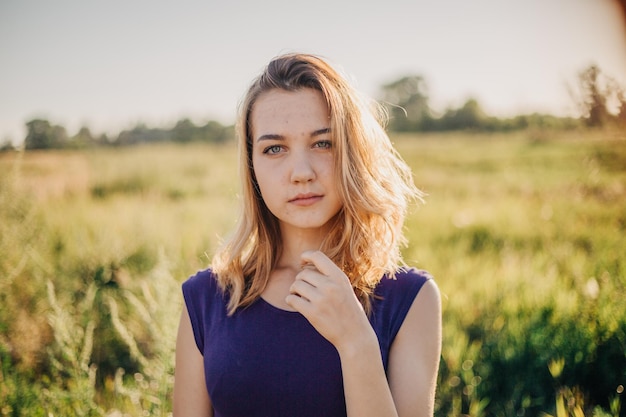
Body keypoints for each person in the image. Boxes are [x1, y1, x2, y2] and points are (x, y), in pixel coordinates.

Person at [173, 52, 442, 417]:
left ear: (352, 153)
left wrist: (356, 342)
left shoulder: (409, 299)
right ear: (252, 166)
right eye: (275, 148)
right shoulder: (206, 300)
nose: (301, 172)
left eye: (322, 143)